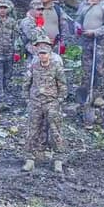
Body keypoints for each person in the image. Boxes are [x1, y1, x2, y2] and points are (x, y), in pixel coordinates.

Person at [23, 35, 66, 173]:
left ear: (49, 54)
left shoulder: (56, 66)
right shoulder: (33, 66)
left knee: (55, 131)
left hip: (51, 102)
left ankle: (58, 159)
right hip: (35, 102)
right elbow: (26, 84)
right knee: (33, 130)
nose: (42, 56)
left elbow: (63, 85)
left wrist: (59, 100)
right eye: (40, 53)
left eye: (44, 53)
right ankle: (30, 159)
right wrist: (27, 99)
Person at [75, 0, 104, 121]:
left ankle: (98, 95)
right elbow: (78, 19)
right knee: (86, 66)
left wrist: (95, 32)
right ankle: (86, 92)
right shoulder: (84, 4)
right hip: (86, 41)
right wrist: (78, 28)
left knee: (99, 68)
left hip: (100, 42)